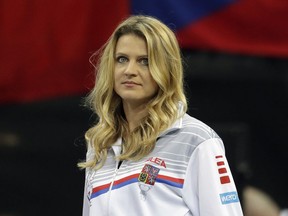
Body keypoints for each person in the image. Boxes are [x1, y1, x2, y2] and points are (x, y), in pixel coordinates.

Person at [78, 15, 243, 216]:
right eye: (122, 59)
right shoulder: (100, 144)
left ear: (166, 70)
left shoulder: (197, 141)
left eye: (144, 61)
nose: (130, 70)